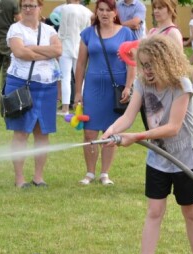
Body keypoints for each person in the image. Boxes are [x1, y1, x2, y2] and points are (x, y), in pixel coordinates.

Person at [101, 35, 193, 254]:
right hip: (157, 158)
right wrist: (110, 132)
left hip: (184, 158)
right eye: (143, 65)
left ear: (166, 61)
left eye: (151, 65)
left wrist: (136, 137)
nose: (146, 70)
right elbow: (128, 115)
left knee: (191, 212)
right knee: (154, 211)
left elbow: (172, 127)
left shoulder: (182, 85)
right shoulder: (143, 83)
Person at [74, 0, 136, 186]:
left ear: (115, 12)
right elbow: (80, 64)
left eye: (108, 10)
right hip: (93, 88)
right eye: (100, 10)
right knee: (89, 132)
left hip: (115, 89)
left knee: (110, 133)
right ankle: (90, 173)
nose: (104, 13)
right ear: (96, 12)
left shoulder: (126, 32)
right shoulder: (88, 33)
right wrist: (78, 91)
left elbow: (131, 62)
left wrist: (128, 86)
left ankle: (104, 173)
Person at [4, 0, 62, 188]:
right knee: (21, 132)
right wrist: (46, 53)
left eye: (32, 5)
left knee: (42, 133)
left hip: (47, 87)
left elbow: (58, 50)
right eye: (25, 6)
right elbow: (20, 52)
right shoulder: (15, 29)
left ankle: (39, 177)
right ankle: (19, 179)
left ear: (40, 7)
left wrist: (32, 49)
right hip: (21, 85)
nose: (28, 9)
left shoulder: (49, 31)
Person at [56, 0, 93, 115]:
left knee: (65, 77)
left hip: (66, 44)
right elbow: (88, 30)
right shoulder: (88, 11)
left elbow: (62, 30)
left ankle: (65, 108)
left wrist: (58, 43)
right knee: (80, 77)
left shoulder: (65, 9)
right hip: (80, 45)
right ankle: (82, 105)